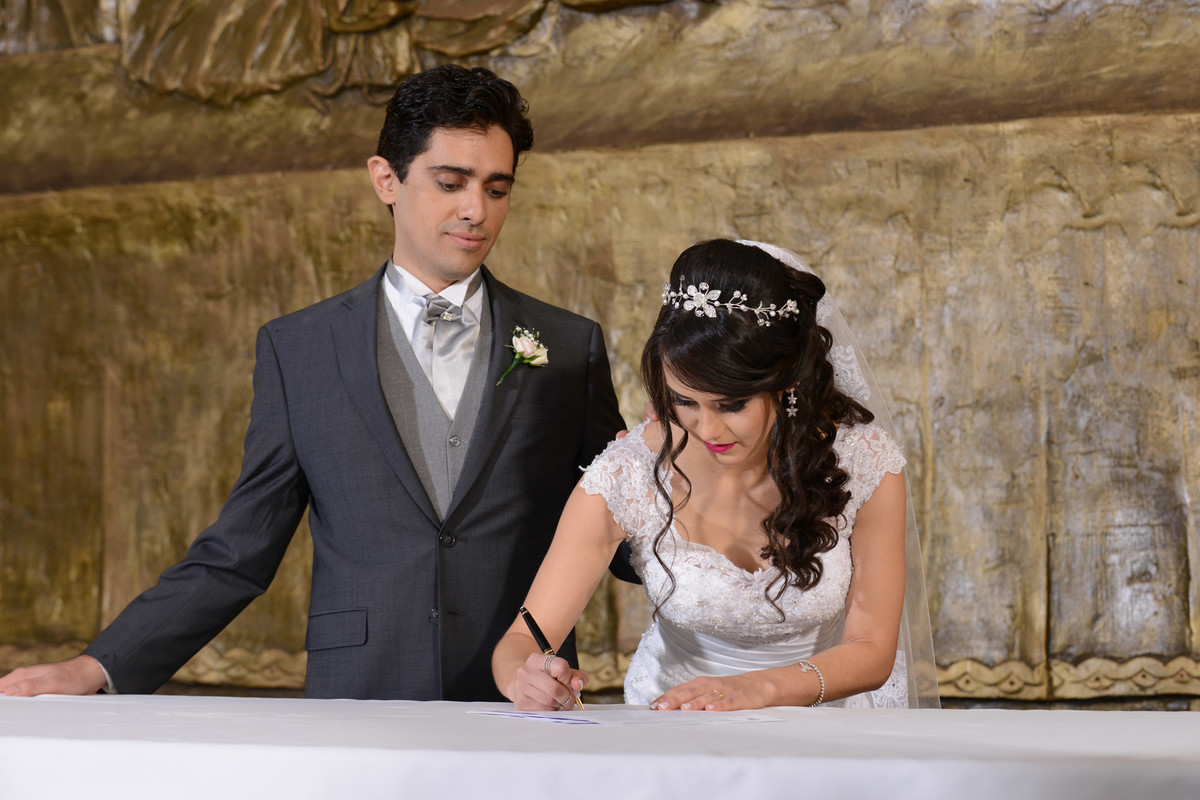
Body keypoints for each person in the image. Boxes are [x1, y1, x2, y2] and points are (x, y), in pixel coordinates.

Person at [0, 65, 630, 701]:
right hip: (359, 696)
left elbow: (631, 528)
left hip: (526, 697)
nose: (476, 211)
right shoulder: (298, 350)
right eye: (450, 183)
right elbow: (240, 550)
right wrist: (99, 666)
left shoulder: (568, 346)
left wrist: (691, 484)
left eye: (497, 189)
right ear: (386, 179)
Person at [493, 239, 939, 710]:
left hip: (822, 720)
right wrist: (525, 678)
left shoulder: (862, 463)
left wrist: (759, 689)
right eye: (684, 401)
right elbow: (521, 640)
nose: (706, 429)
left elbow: (872, 650)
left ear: (788, 379)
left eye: (731, 405)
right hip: (674, 722)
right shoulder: (628, 473)